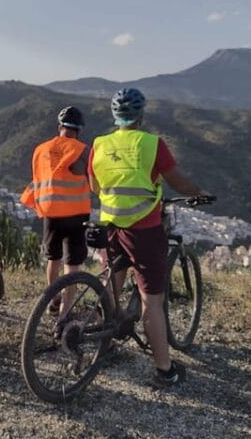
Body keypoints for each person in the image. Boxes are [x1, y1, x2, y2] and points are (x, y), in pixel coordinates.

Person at [89, 88, 207, 388]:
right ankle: (165, 370)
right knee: (151, 301)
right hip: (144, 229)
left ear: (114, 115)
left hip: (109, 226)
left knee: (111, 288)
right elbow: (177, 181)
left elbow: (94, 185)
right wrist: (198, 192)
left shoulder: (99, 144)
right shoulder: (153, 144)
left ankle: (108, 340)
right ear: (141, 115)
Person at [20, 106, 91, 314]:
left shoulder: (40, 149)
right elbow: (90, 176)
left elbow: (38, 178)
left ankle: (53, 298)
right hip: (77, 213)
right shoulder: (83, 150)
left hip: (50, 211)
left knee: (53, 258)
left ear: (59, 126)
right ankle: (65, 310)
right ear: (79, 129)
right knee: (73, 264)